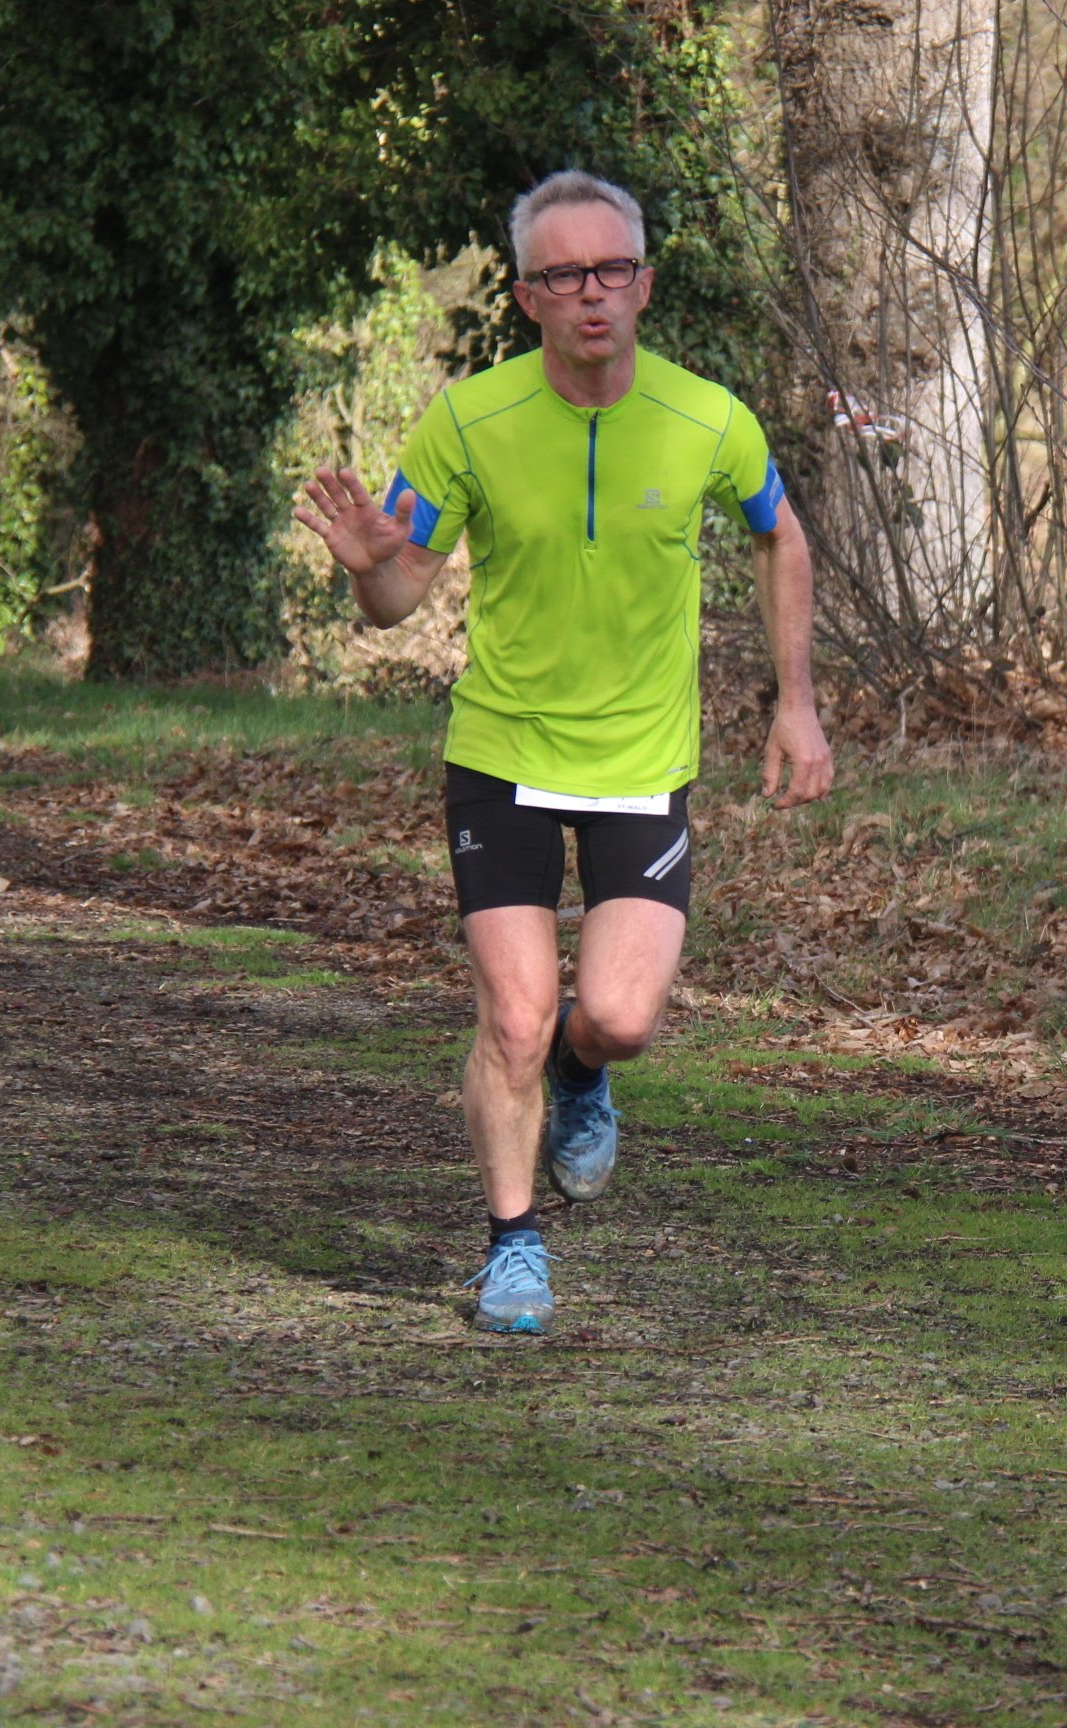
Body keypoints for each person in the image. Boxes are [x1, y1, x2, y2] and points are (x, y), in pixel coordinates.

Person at [294, 170, 833, 1334]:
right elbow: (397, 597)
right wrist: (366, 569)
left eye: (611, 270)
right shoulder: (466, 424)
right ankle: (512, 1245)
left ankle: (583, 1080)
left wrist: (795, 702)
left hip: (642, 762)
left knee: (616, 1020)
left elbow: (779, 536)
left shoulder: (711, 419)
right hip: (503, 755)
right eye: (563, 275)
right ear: (528, 297)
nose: (592, 293)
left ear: (645, 284)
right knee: (516, 1018)